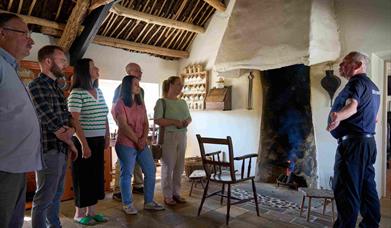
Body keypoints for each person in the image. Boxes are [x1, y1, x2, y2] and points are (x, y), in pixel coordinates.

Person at [327, 51, 381, 228]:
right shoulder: (373, 87)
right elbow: (375, 118)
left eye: (345, 63)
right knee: (367, 188)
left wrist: (338, 116)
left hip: (353, 146)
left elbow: (352, 107)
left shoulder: (355, 83)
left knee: (346, 190)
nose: (340, 66)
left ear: (357, 65)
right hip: (368, 144)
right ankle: (370, 225)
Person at [0, 13, 43, 228]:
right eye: (24, 34)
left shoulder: (9, 67)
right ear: (2, 33)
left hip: (13, 165)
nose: (31, 40)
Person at [28, 45, 77, 228]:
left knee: (56, 195)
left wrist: (69, 132)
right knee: (44, 198)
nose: (65, 64)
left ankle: (55, 225)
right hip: (48, 149)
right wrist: (69, 136)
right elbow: (50, 119)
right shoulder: (36, 86)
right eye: (61, 60)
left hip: (61, 148)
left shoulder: (56, 87)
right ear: (48, 61)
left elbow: (68, 118)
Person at [67, 58, 110, 225]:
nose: (97, 68)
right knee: (82, 176)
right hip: (83, 141)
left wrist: (106, 136)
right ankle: (79, 213)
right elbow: (74, 121)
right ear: (85, 71)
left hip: (99, 140)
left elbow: (104, 116)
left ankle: (92, 211)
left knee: (96, 176)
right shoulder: (76, 93)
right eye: (93, 66)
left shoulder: (99, 91)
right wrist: (84, 144)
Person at [114, 75, 164, 214]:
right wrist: (138, 140)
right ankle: (127, 204)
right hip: (126, 144)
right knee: (127, 174)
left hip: (141, 143)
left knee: (151, 170)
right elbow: (123, 126)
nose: (138, 86)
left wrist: (143, 139)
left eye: (138, 84)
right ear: (127, 86)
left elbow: (146, 123)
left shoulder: (140, 102)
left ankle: (148, 202)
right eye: (136, 84)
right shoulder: (120, 103)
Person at [154, 76, 191, 205]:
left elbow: (189, 118)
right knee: (168, 166)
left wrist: (187, 121)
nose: (181, 87)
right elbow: (157, 120)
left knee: (179, 166)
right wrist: (174, 122)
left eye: (182, 85)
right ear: (170, 85)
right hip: (168, 137)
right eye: (178, 84)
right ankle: (167, 195)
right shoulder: (161, 102)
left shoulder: (183, 102)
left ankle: (176, 193)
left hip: (182, 136)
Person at [112, 63, 145, 201]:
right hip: (125, 131)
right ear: (129, 72)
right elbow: (114, 109)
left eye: (140, 70)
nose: (141, 73)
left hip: (137, 130)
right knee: (123, 161)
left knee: (137, 157)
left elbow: (141, 109)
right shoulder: (120, 88)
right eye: (138, 70)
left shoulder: (141, 90)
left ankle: (138, 185)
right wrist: (122, 126)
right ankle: (118, 190)